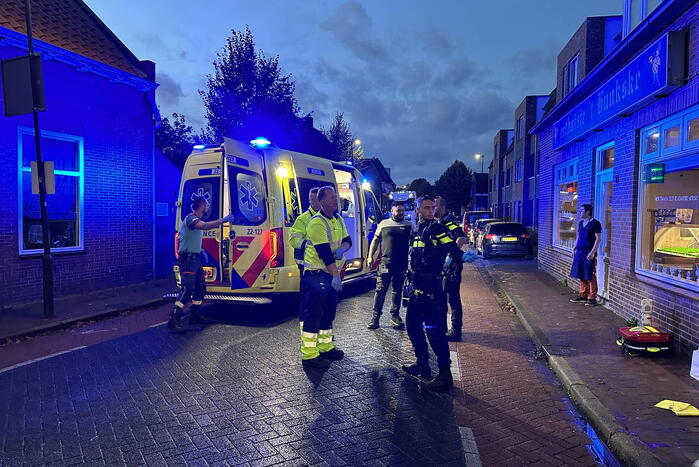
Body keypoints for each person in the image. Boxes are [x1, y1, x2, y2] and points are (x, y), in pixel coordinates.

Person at [402, 195, 469, 392]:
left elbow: (452, 249)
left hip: (432, 290)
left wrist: (461, 258)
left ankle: (444, 374)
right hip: (416, 288)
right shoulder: (417, 230)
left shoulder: (437, 229)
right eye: (427, 208)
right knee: (412, 326)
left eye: (432, 208)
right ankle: (422, 364)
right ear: (418, 209)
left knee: (434, 331)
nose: (431, 211)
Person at [300, 186, 352, 368]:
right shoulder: (316, 223)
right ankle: (309, 355)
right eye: (331, 198)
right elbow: (324, 254)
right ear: (321, 201)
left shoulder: (337, 219)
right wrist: (336, 276)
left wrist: (342, 249)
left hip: (329, 275)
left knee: (328, 313)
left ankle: (325, 347)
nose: (335, 200)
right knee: (314, 314)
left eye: (335, 197)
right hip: (317, 275)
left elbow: (348, 241)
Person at [169, 197, 234, 333]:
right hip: (188, 260)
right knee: (187, 290)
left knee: (200, 289)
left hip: (195, 259)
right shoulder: (191, 219)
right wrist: (223, 220)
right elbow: (203, 226)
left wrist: (200, 250)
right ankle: (174, 319)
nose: (208, 206)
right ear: (202, 206)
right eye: (206, 204)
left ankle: (194, 315)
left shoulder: (195, 220)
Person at [366, 202, 413, 330]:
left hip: (401, 264)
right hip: (385, 263)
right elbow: (375, 240)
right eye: (398, 210)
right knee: (380, 290)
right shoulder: (384, 224)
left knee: (397, 291)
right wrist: (370, 256)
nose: (401, 213)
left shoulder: (409, 225)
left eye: (403, 210)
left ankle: (395, 316)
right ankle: (375, 318)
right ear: (392, 211)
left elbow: (415, 243)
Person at [435, 197, 468, 341]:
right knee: (441, 297)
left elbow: (461, 237)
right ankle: (442, 327)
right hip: (441, 267)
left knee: (453, 297)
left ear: (441, 207)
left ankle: (455, 330)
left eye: (433, 206)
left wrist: (451, 256)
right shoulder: (438, 222)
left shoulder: (449, 220)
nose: (431, 209)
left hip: (451, 267)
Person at [290, 187, 321, 319]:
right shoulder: (303, 219)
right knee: (307, 297)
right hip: (306, 264)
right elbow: (294, 239)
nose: (313, 202)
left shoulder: (330, 218)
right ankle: (305, 327)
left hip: (324, 264)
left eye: (315, 200)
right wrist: (308, 244)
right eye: (311, 200)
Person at [569, 203, 602, 306]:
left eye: (582, 211)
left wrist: (592, 252)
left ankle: (592, 297)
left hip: (589, 252)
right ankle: (583, 295)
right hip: (579, 252)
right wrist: (574, 248)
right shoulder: (581, 223)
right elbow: (579, 236)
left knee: (590, 274)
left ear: (588, 212)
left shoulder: (595, 223)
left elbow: (598, 239)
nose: (580, 212)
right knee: (581, 273)